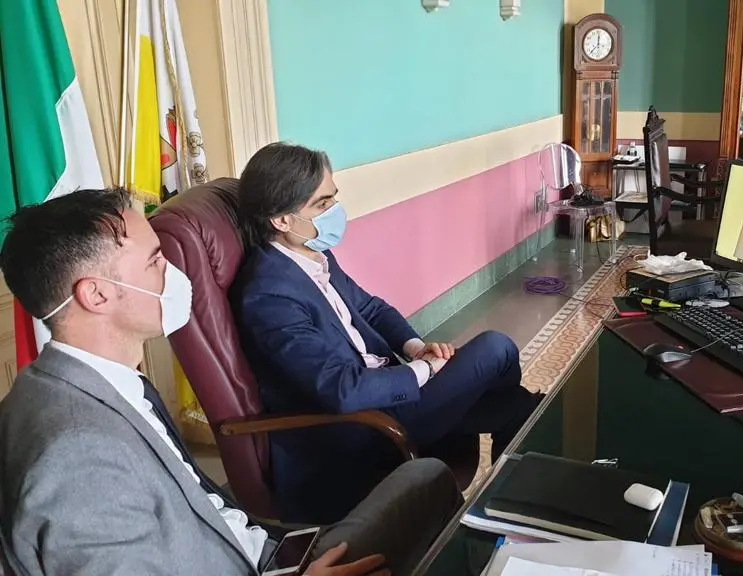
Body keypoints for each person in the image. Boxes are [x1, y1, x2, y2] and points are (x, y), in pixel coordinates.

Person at [0, 189, 462, 576]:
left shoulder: (94, 381)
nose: (174, 274)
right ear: (96, 294)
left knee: (428, 478)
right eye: (156, 260)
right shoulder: (78, 455)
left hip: (258, 550)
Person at [231, 142, 540, 523]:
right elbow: (342, 389)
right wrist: (425, 370)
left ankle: (511, 513)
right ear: (282, 220)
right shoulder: (269, 295)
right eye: (322, 204)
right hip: (364, 425)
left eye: (333, 198)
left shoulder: (312, 257)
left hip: (389, 393)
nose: (335, 211)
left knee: (520, 406)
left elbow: (371, 309)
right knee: (497, 348)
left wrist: (415, 348)